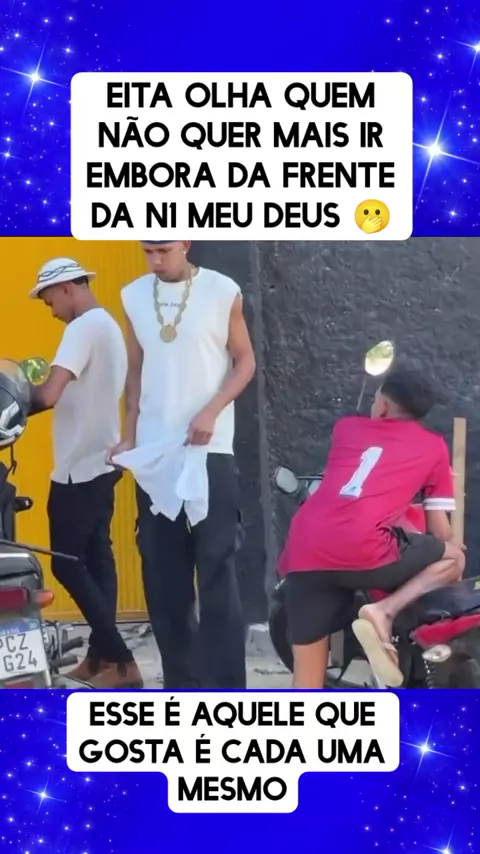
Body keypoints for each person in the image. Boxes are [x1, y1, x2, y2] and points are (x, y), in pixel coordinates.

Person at [108, 240, 256, 689]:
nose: (156, 260)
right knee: (163, 576)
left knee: (216, 571)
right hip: (156, 454)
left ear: (186, 243)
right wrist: (129, 435)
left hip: (211, 450)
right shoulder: (133, 295)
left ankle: (226, 689)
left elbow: (245, 362)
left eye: (164, 250)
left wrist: (212, 411)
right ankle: (182, 687)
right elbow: (135, 373)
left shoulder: (223, 290)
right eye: (147, 251)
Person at [280, 365, 465, 689]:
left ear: (382, 406)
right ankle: (384, 612)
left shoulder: (346, 429)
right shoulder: (434, 446)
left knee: (306, 679)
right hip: (365, 549)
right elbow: (440, 534)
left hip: (304, 548)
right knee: (453, 557)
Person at [28, 257, 142, 689]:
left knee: (67, 564)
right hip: (102, 462)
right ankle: (100, 658)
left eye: (49, 301)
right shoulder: (107, 325)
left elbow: (50, 393)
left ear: (67, 289)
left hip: (77, 470)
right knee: (97, 561)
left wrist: (15, 400)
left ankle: (122, 660)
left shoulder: (81, 329)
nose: (51, 310)